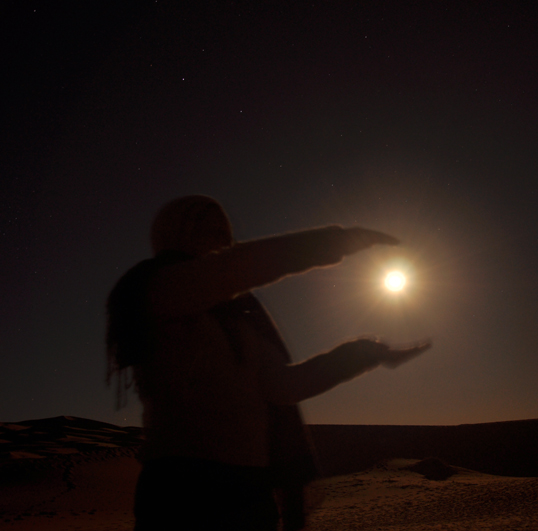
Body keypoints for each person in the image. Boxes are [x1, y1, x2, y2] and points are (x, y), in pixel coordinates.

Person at [106, 195, 431, 531]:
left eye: (224, 231)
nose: (220, 238)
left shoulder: (243, 318)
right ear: (174, 232)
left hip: (249, 489)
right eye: (205, 226)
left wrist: (366, 353)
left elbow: (282, 388)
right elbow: (232, 268)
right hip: (184, 488)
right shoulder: (159, 289)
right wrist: (337, 241)